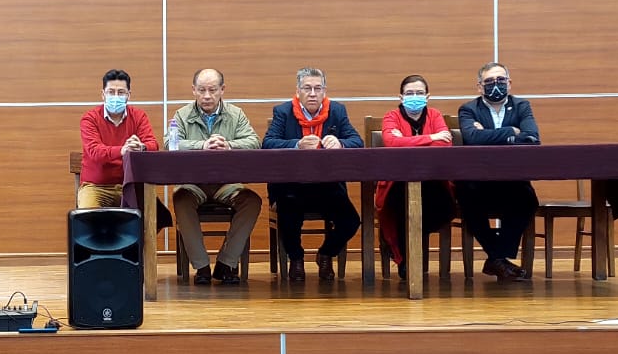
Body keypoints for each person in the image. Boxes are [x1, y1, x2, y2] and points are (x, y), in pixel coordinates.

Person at [262, 67, 363, 282]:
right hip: (292, 185)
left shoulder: (337, 111)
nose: (313, 94)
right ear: (298, 91)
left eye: (318, 88)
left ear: (324, 91)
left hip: (327, 186)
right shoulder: (283, 112)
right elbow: (268, 143)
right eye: (307, 88)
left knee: (351, 221)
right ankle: (296, 259)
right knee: (288, 215)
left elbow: (357, 141)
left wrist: (340, 143)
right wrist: (296, 144)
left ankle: (326, 253)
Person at [167, 68, 262, 286]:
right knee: (181, 198)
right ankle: (201, 266)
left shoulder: (236, 114)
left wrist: (229, 145)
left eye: (212, 90)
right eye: (202, 90)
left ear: (222, 90)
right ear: (193, 90)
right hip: (193, 183)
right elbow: (170, 143)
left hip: (226, 183)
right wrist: (202, 145)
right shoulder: (182, 115)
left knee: (252, 201)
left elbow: (254, 142)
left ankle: (226, 263)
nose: (207, 96)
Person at [456, 61, 540, 282]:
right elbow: (472, 139)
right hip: (479, 182)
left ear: (509, 83)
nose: (496, 85)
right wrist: (511, 132)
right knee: (465, 195)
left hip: (512, 180)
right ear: (479, 86)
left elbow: (532, 138)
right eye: (489, 81)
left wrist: (488, 134)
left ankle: (496, 258)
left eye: (501, 80)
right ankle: (499, 259)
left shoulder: (522, 106)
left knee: (528, 200)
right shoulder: (468, 109)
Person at [374, 74, 457, 279]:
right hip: (397, 183)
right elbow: (391, 143)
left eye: (419, 93)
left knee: (439, 208)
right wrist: (431, 137)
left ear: (427, 96)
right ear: (401, 97)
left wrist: (406, 141)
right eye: (409, 93)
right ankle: (407, 262)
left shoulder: (435, 115)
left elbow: (445, 144)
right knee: (403, 207)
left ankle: (413, 253)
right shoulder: (391, 116)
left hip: (433, 181)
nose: (414, 97)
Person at [78, 69, 159, 208]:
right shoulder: (90, 118)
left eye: (121, 92)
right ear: (103, 94)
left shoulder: (139, 116)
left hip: (129, 186)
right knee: (88, 217)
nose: (115, 96)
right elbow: (94, 151)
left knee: (152, 212)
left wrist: (141, 147)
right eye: (111, 92)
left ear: (129, 95)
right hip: (96, 187)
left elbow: (153, 145)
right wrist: (122, 150)